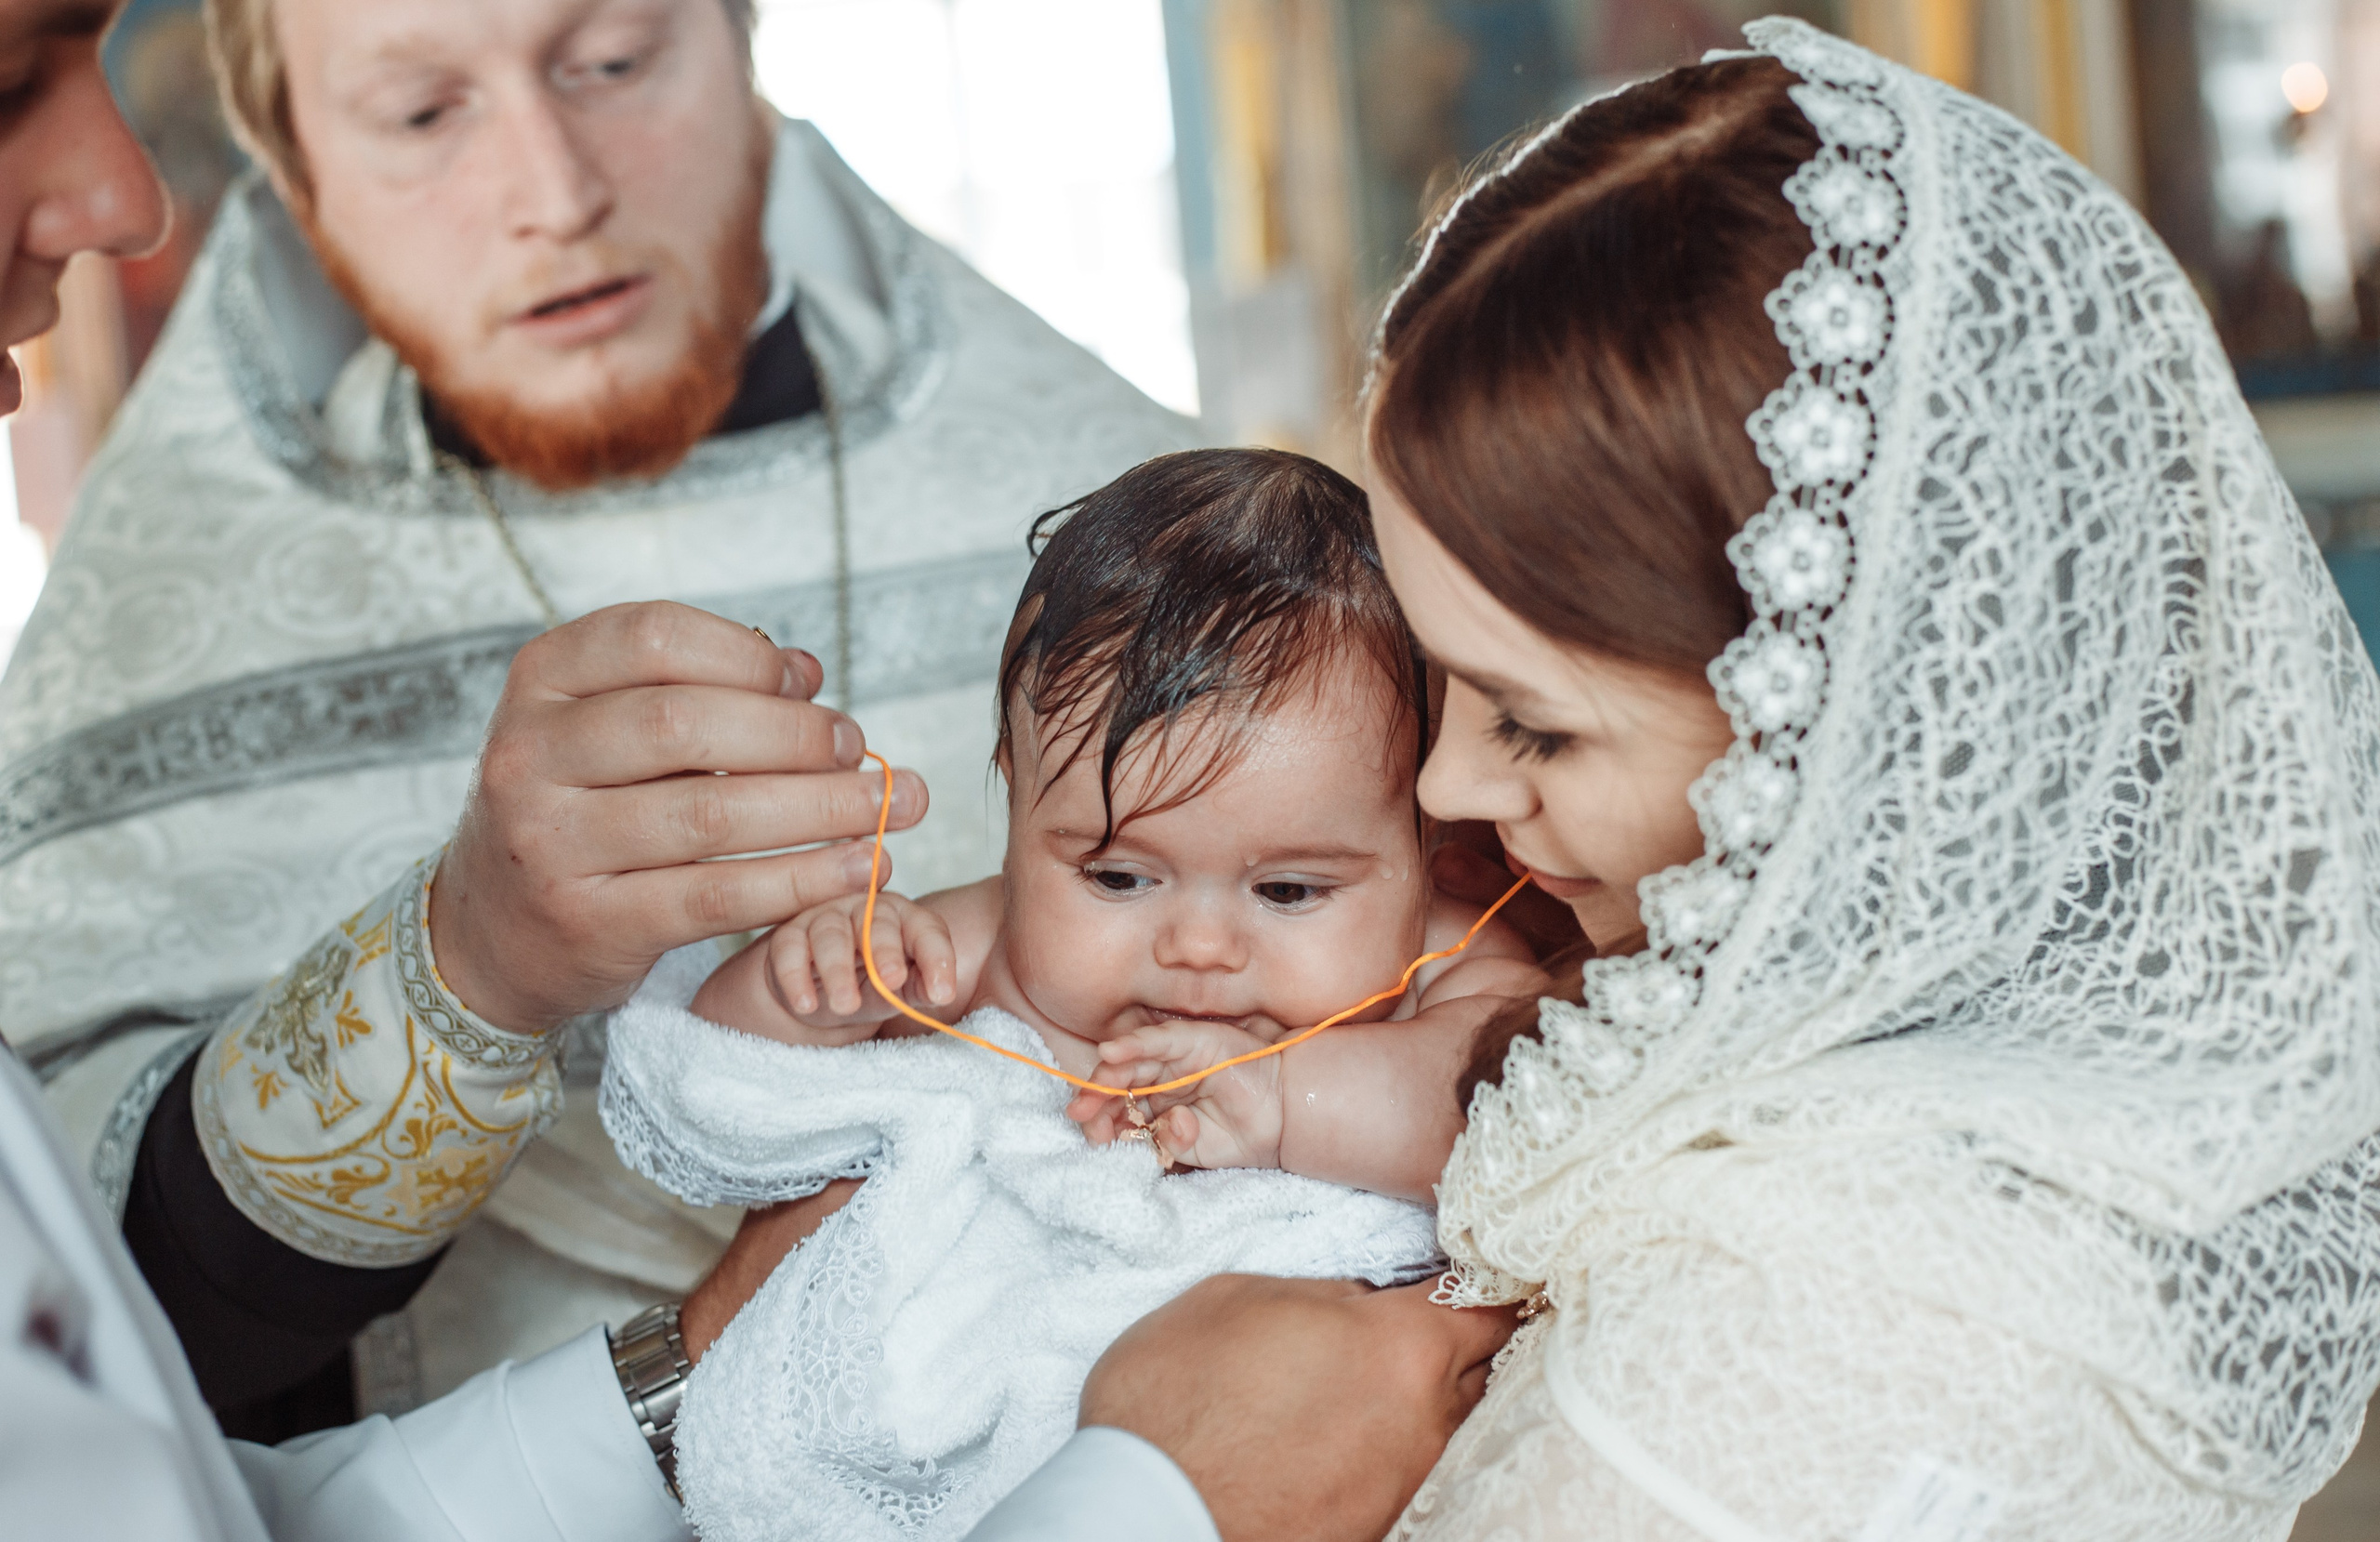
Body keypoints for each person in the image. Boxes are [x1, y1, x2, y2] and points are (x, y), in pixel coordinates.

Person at [1004, 20, 2380, 1541]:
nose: (1445, 784)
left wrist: (1153, 1481)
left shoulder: (1797, 1350)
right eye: (1442, 684)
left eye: (1533, 725)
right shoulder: (1737, 1044)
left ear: (1864, 738)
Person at [0, 0, 1195, 1437]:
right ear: (293, 158)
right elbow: (80, 1356)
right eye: (424, 113)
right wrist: (462, 969)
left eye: (616, 61)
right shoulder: (155, 630)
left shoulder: (1135, 518)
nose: (556, 194)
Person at [599, 448, 1540, 1538]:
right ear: (1015, 799)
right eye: (1118, 876)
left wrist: (1286, 1100)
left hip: (1298, 1435)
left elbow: (1513, 1114)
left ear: (1433, 844)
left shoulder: (1448, 955)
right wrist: (803, 989)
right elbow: (721, 1096)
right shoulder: (995, 940)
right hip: (987, 1432)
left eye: (1287, 889)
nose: (1194, 945)